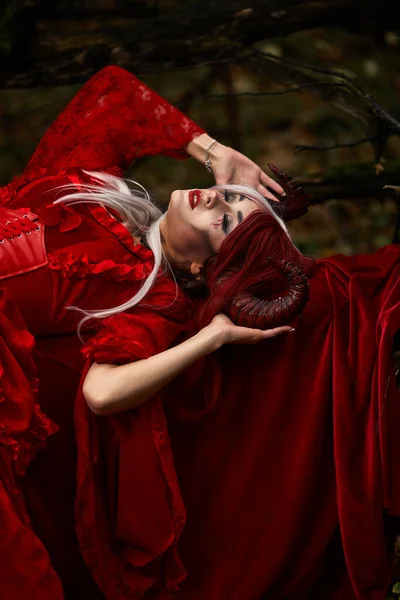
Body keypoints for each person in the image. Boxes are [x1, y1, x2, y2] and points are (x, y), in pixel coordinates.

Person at [1, 65, 399, 600]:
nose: (217, 199)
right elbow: (113, 90)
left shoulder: (144, 292)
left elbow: (102, 393)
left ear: (203, 271)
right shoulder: (98, 186)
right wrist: (216, 154)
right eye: (232, 196)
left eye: (228, 222)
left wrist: (210, 337)